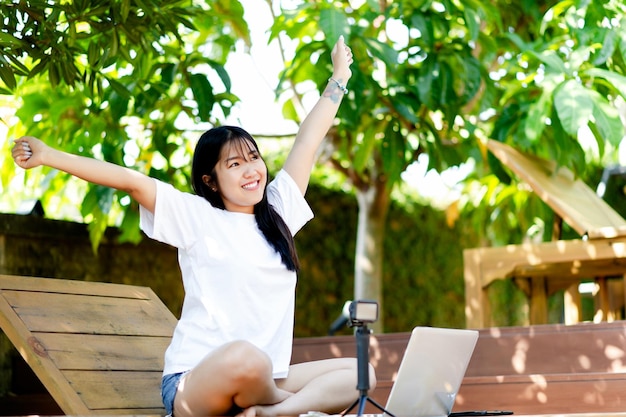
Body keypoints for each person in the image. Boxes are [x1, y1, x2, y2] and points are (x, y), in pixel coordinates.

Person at [11, 36, 375, 417]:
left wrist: (340, 76)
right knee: (247, 357)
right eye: (234, 164)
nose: (251, 170)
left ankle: (270, 413)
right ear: (210, 181)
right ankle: (294, 407)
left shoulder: (278, 211)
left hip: (267, 378)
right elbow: (131, 181)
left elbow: (307, 139)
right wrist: (50, 156)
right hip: (195, 383)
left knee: (359, 372)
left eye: (253, 158)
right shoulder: (197, 216)